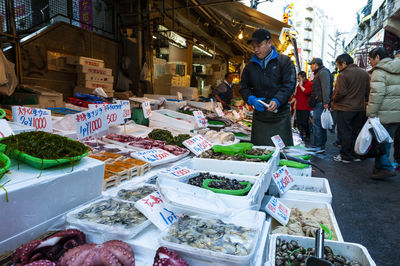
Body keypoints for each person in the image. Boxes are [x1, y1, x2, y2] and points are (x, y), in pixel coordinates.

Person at [240, 29, 296, 146]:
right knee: (258, 151)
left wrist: (278, 100)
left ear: (269, 42)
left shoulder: (285, 62)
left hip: (280, 115)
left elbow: (289, 84)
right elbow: (243, 87)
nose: (255, 50)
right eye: (254, 46)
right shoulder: (250, 66)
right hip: (260, 116)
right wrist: (251, 99)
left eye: (259, 45)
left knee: (282, 152)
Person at [367, 47, 400, 179]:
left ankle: (386, 167)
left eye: (370, 59)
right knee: (386, 141)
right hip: (396, 114)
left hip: (383, 114)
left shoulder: (379, 72)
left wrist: (371, 113)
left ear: (378, 57)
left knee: (380, 142)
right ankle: (379, 168)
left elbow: (377, 94)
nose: (370, 62)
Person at [331, 53, 370, 163]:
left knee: (345, 133)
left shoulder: (343, 75)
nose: (338, 68)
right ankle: (356, 155)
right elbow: (367, 92)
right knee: (356, 132)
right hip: (360, 109)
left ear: (344, 63)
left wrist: (333, 100)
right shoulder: (364, 74)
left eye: (338, 65)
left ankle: (346, 156)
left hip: (345, 109)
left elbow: (341, 92)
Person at [309, 58, 332, 152]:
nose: (310, 66)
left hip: (320, 103)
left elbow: (326, 87)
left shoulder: (323, 72)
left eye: (312, 64)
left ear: (316, 64)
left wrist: (326, 102)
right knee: (320, 124)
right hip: (320, 102)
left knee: (318, 124)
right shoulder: (320, 72)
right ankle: (319, 145)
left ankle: (318, 145)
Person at [294, 71, 312, 141]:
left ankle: (307, 135)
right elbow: (296, 96)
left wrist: (301, 86)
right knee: (299, 122)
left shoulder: (309, 83)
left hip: (305, 107)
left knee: (305, 122)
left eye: (299, 78)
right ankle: (300, 135)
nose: (298, 80)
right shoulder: (298, 85)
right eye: (298, 78)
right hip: (298, 106)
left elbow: (307, 92)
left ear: (304, 78)